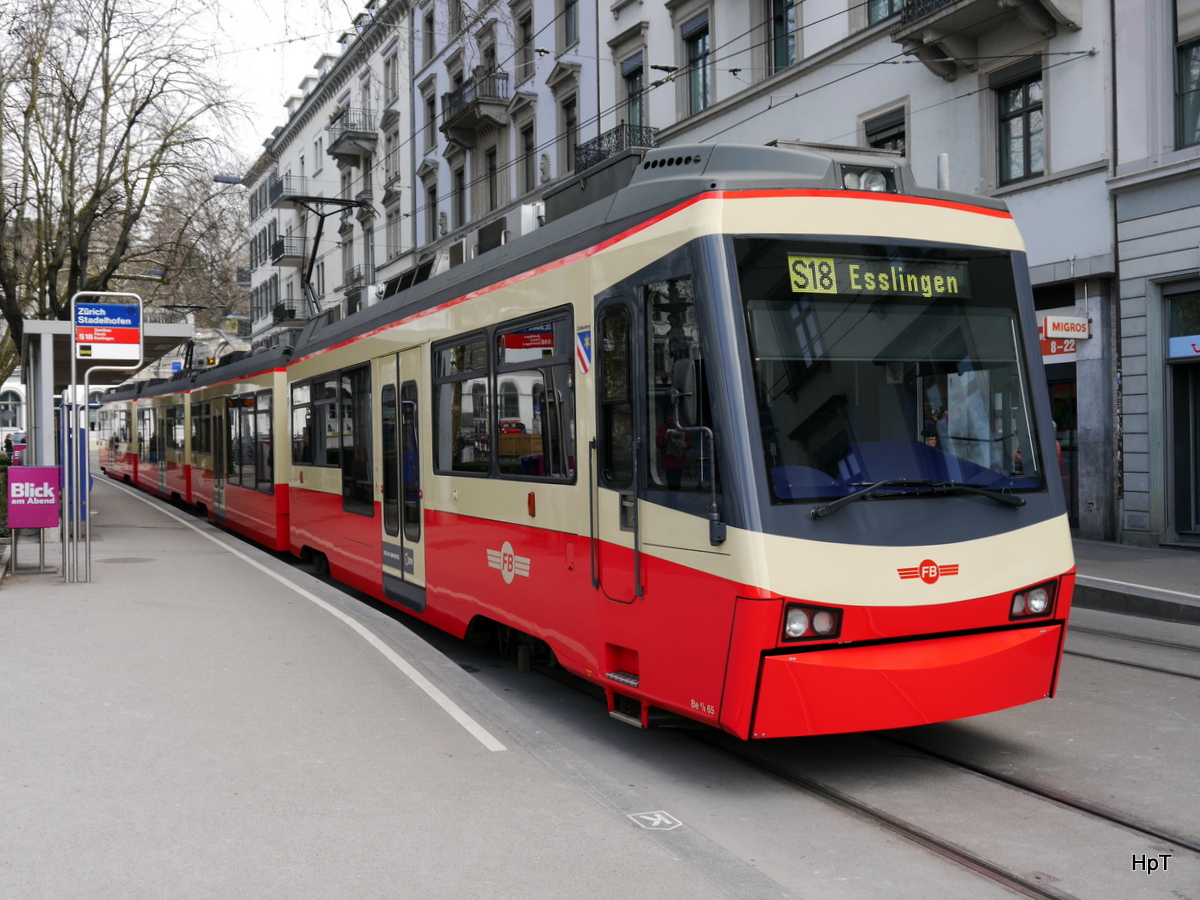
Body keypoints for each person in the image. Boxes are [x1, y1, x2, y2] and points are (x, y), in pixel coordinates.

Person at [656, 414, 691, 489]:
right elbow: (658, 443)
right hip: (668, 461)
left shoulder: (681, 428)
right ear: (667, 420)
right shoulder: (663, 429)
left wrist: (686, 445)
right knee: (671, 483)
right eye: (670, 420)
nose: (672, 422)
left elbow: (689, 440)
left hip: (679, 460)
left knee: (677, 483)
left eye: (673, 420)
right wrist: (665, 439)